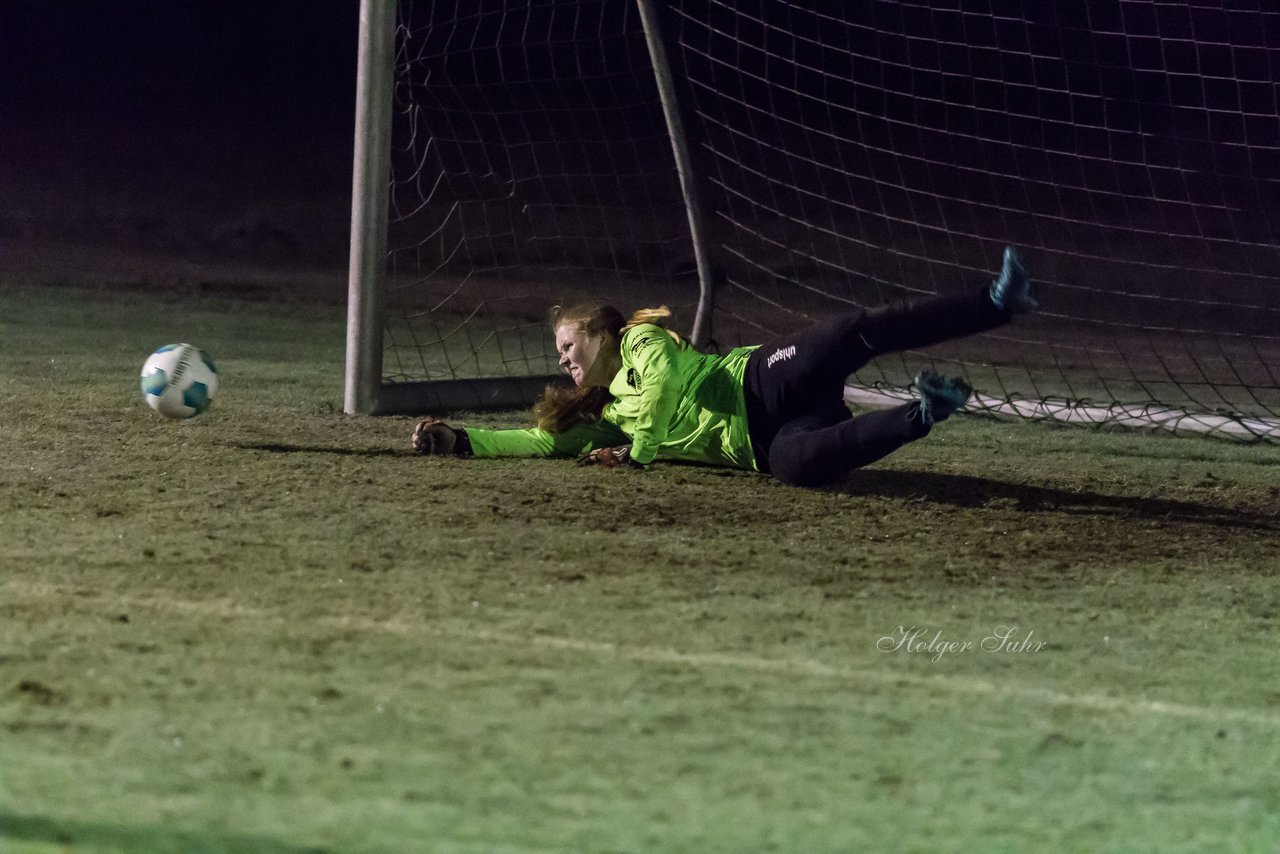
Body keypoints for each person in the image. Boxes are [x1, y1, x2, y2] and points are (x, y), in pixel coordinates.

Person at [412, 246, 1037, 488]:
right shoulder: (606, 414)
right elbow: (539, 440)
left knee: (853, 332)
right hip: (757, 443)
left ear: (599, 335)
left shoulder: (638, 342)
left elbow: (664, 386)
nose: (563, 361)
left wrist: (643, 451)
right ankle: (924, 412)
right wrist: (462, 439)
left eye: (568, 347)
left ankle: (992, 302)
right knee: (800, 466)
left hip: (759, 378)